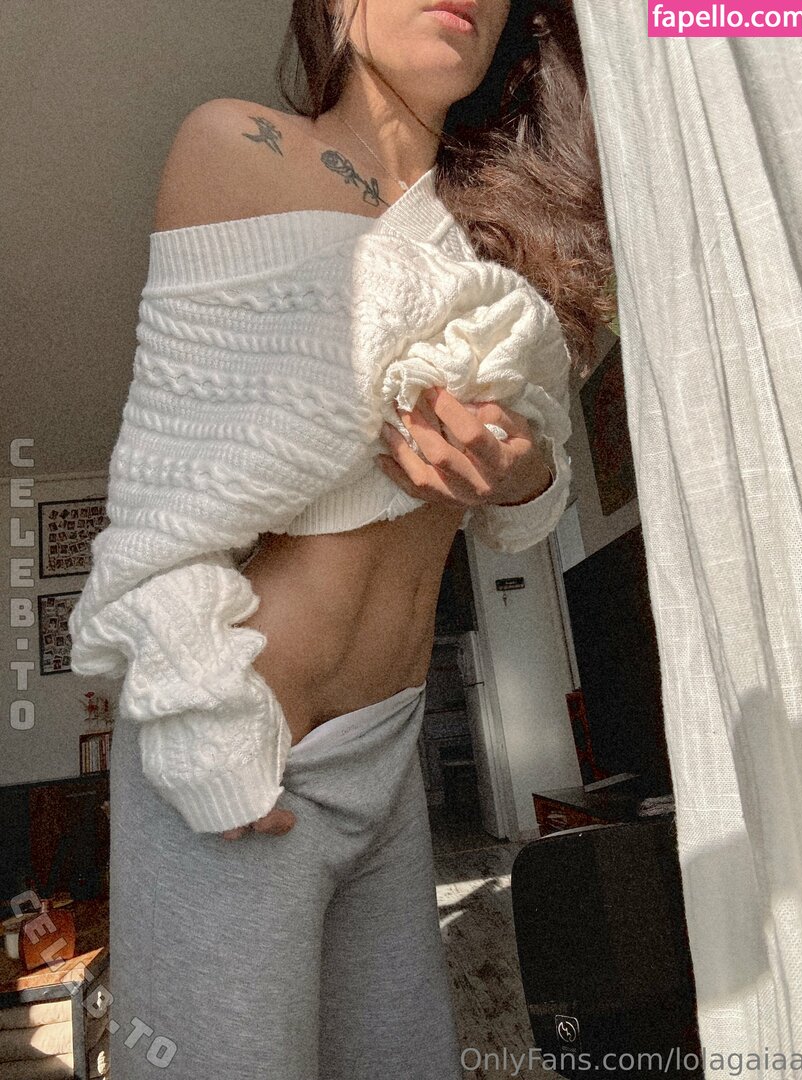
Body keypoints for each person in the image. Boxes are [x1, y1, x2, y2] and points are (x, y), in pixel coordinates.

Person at [67, 1, 614, 1077]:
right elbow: (158, 515)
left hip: (388, 751)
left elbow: (530, 483)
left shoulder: (500, 232)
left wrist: (519, 465)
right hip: (246, 730)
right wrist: (208, 729)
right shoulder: (237, 146)